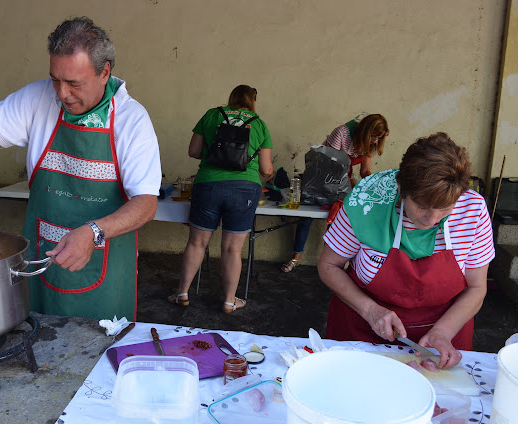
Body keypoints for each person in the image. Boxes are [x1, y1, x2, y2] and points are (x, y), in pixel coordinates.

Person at [0, 17, 161, 321]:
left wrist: (93, 233)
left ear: (105, 72)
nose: (62, 93)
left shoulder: (132, 120)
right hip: (41, 257)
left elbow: (146, 204)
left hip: (104, 264)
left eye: (74, 83)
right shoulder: (36, 99)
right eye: (55, 79)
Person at [317, 133, 494, 369]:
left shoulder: (472, 211)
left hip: (439, 345)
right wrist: (370, 310)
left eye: (444, 210)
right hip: (362, 333)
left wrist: (442, 332)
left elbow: (476, 287)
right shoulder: (368, 200)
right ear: (401, 188)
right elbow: (329, 266)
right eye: (421, 206)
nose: (431, 220)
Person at [168, 85, 274, 313]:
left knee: (197, 242)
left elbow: (193, 151)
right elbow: (266, 169)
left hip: (208, 184)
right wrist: (268, 173)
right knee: (232, 249)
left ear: (232, 97)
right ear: (253, 101)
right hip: (245, 189)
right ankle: (229, 301)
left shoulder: (212, 114)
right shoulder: (259, 123)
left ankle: (182, 293)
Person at [281, 113, 389, 273]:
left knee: (337, 222)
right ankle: (296, 257)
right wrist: (352, 182)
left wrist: (376, 184)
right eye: (373, 137)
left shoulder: (370, 144)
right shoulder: (342, 132)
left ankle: (330, 264)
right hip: (320, 179)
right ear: (365, 131)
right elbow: (329, 165)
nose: (375, 141)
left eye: (378, 139)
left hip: (341, 185)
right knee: (306, 217)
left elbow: (365, 171)